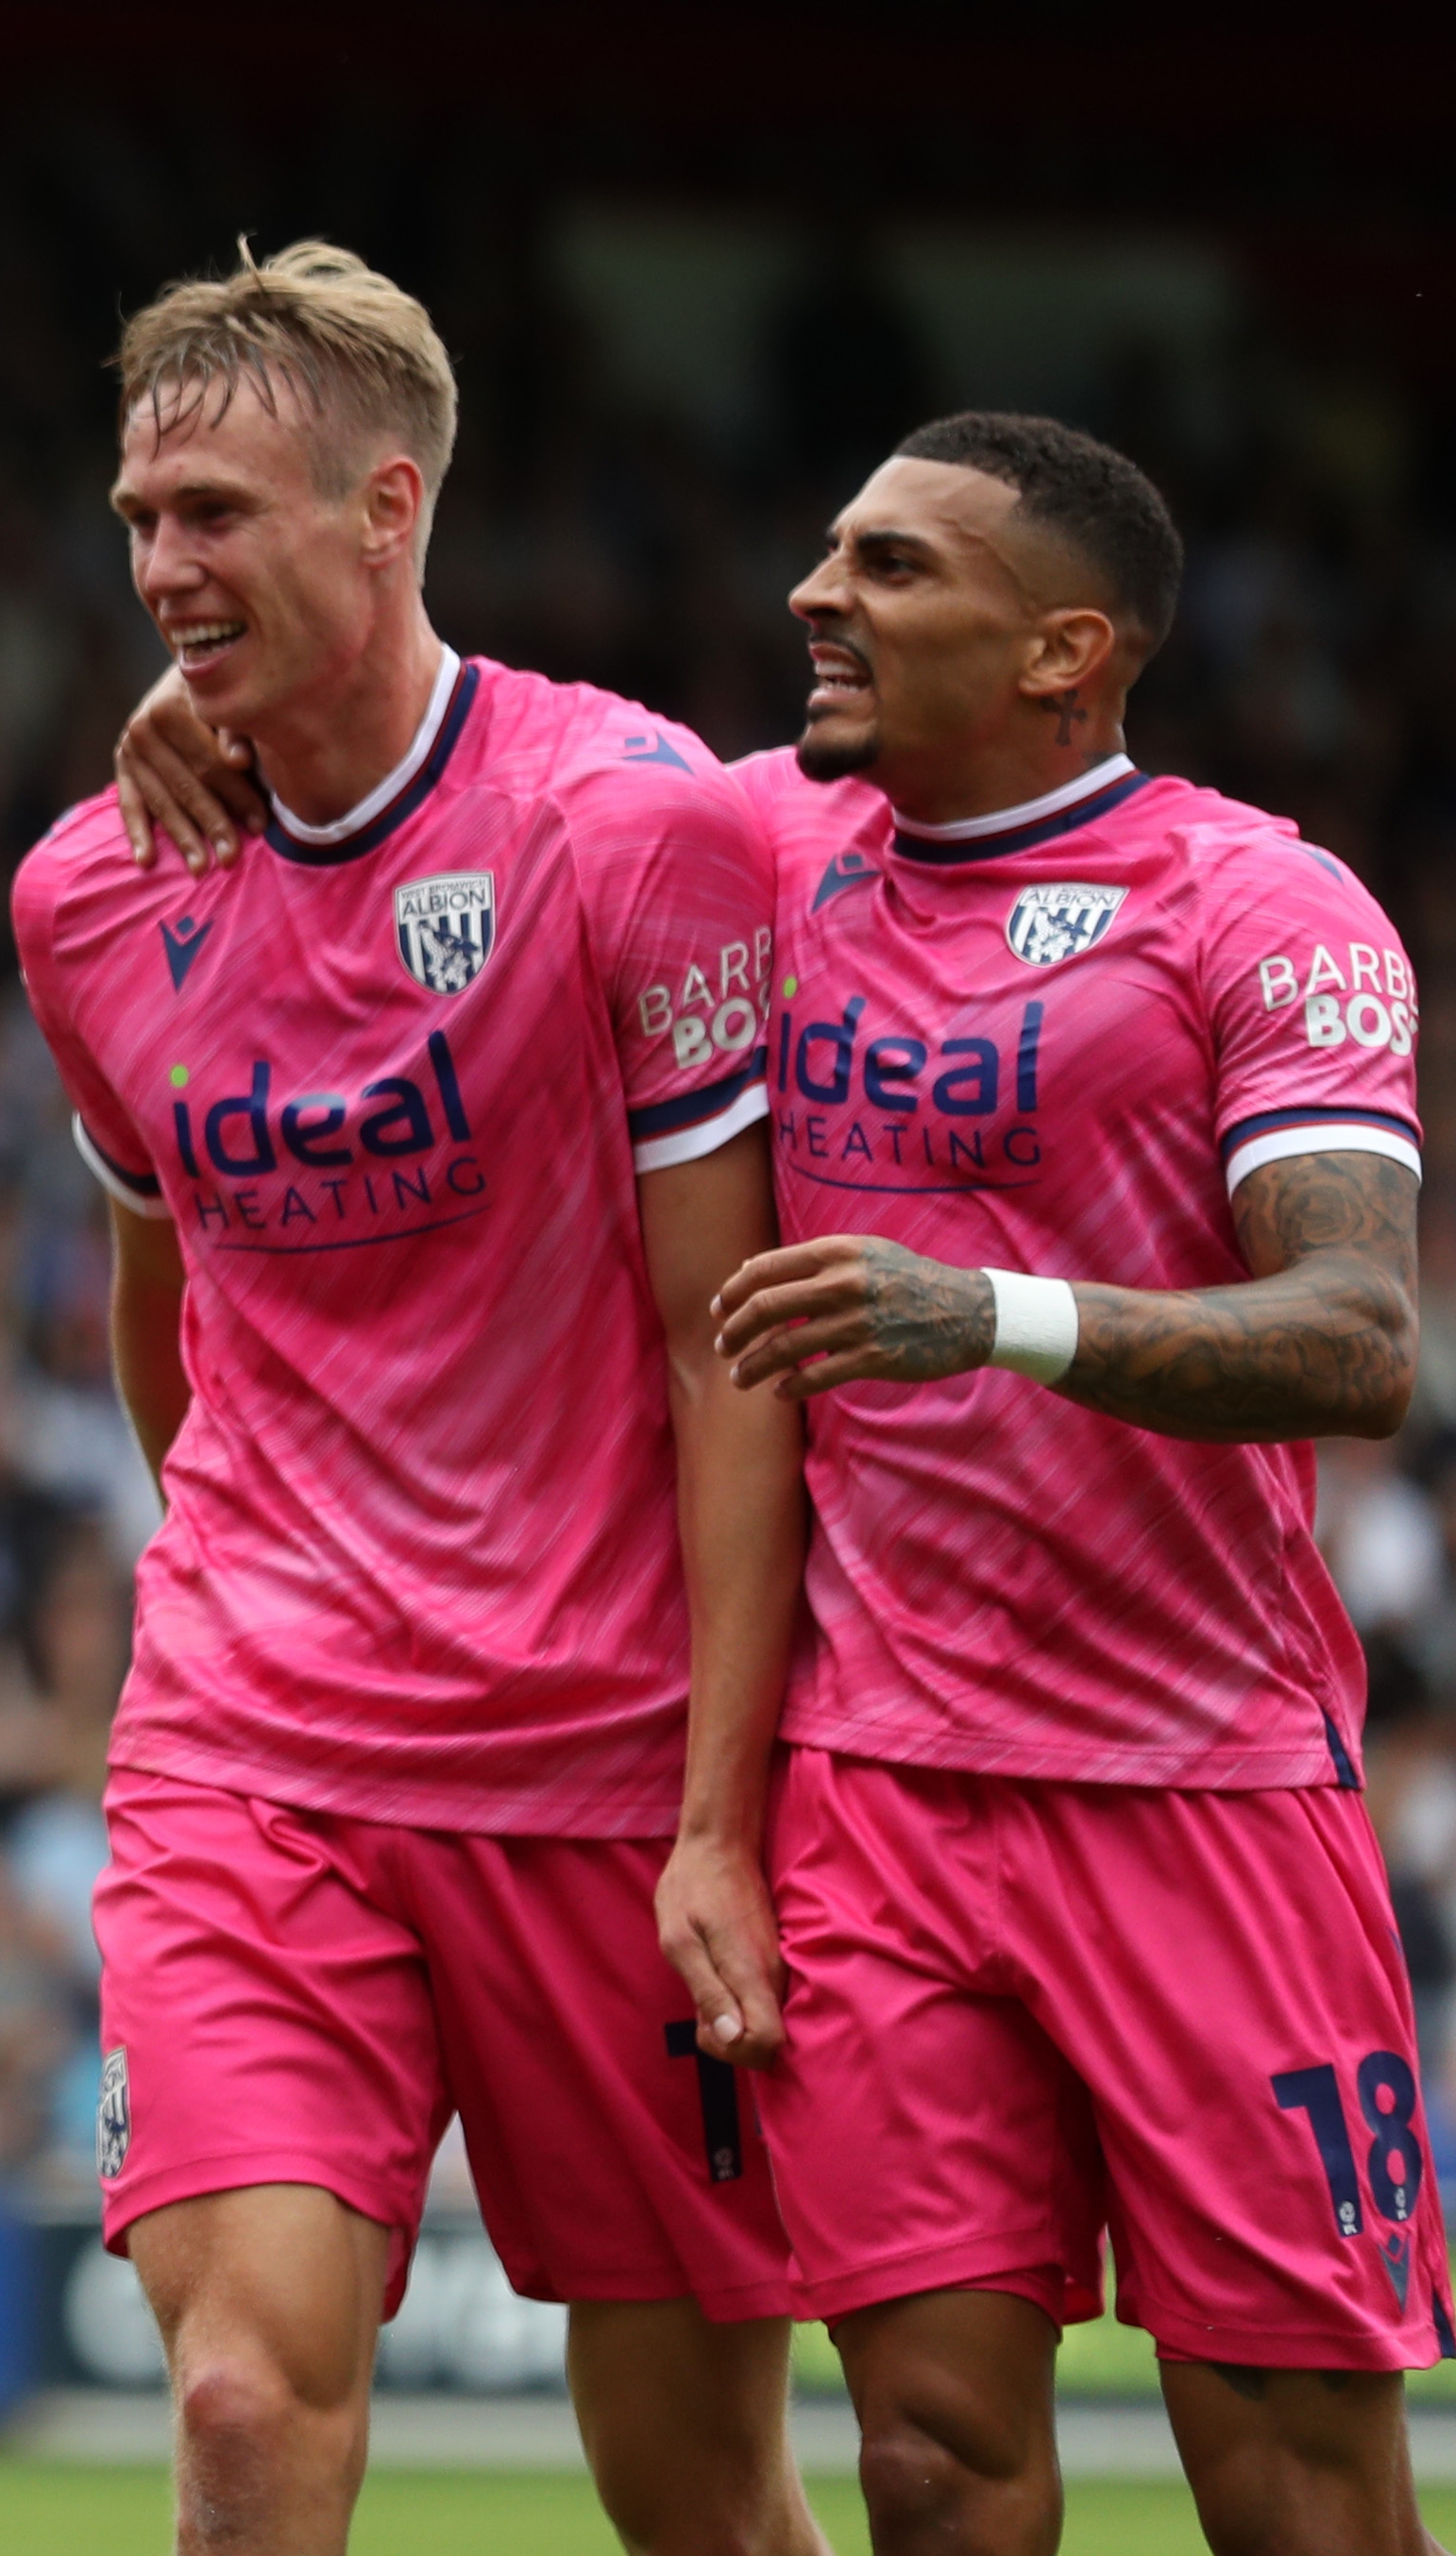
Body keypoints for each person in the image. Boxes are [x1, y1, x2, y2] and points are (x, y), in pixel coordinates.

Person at [8, 242, 821, 2556]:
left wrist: (722, 1806)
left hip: (601, 1762)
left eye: (222, 512)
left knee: (705, 2493)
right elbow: (154, 1309)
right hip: (259, 1752)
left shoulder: (627, 822)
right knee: (249, 2404)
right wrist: (261, 1588)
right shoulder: (88, 890)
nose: (167, 564)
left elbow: (716, 1337)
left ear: (389, 507)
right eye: (140, 514)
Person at [707, 413, 1447, 2556]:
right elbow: (466, 759)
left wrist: (999, 1314)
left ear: (1066, 651)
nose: (817, 593)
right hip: (882, 1795)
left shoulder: (1261, 901)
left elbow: (1357, 1334)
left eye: (893, 564)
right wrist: (188, 711)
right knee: (932, 2465)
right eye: (829, 543)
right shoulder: (760, 843)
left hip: (1204, 1793)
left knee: (1299, 2489)